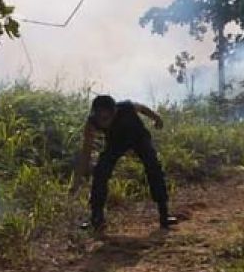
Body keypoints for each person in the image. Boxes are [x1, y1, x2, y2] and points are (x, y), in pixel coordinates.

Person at [71, 95, 179, 232]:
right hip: (116, 143)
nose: (102, 123)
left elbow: (142, 108)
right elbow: (85, 153)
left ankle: (164, 215)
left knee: (153, 167)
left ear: (114, 111)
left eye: (105, 118)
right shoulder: (92, 122)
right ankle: (96, 219)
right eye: (99, 118)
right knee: (100, 172)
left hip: (138, 137)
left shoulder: (126, 108)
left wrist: (157, 118)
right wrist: (77, 181)